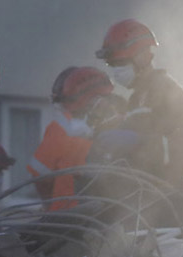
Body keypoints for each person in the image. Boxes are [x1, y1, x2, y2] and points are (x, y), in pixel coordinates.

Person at [96, 19, 183, 215]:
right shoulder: (137, 97)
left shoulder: (167, 91)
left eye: (121, 63)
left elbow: (181, 148)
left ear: (143, 56)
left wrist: (138, 142)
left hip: (165, 206)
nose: (116, 70)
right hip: (138, 202)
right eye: (112, 64)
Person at [28, 66, 117, 211]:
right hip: (75, 216)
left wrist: (49, 206)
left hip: (76, 215)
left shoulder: (62, 129)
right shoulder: (65, 129)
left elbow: (40, 177)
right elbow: (40, 176)